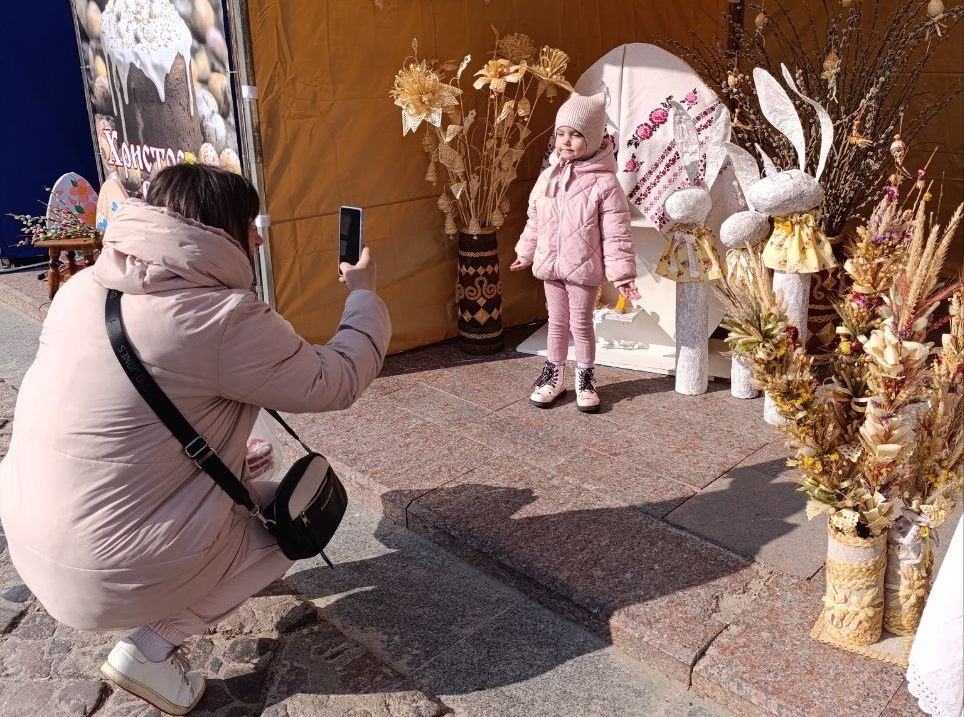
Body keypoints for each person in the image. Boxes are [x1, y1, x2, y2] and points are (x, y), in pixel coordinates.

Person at [0, 164, 392, 715]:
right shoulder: (221, 317)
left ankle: (196, 575)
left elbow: (122, 421)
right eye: (250, 226)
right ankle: (150, 647)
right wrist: (364, 295)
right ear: (222, 231)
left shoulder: (84, 287)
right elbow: (338, 379)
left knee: (250, 473)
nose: (259, 239)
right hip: (103, 574)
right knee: (297, 517)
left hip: (30, 536)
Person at [511, 90, 639, 412]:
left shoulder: (606, 184)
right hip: (551, 265)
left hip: (583, 269)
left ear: (593, 138)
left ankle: (585, 378)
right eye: (561, 134)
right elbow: (535, 219)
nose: (566, 141)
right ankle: (553, 377)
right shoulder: (548, 177)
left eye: (576, 135)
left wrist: (622, 275)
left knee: (581, 324)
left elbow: (617, 234)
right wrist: (525, 251)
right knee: (556, 322)